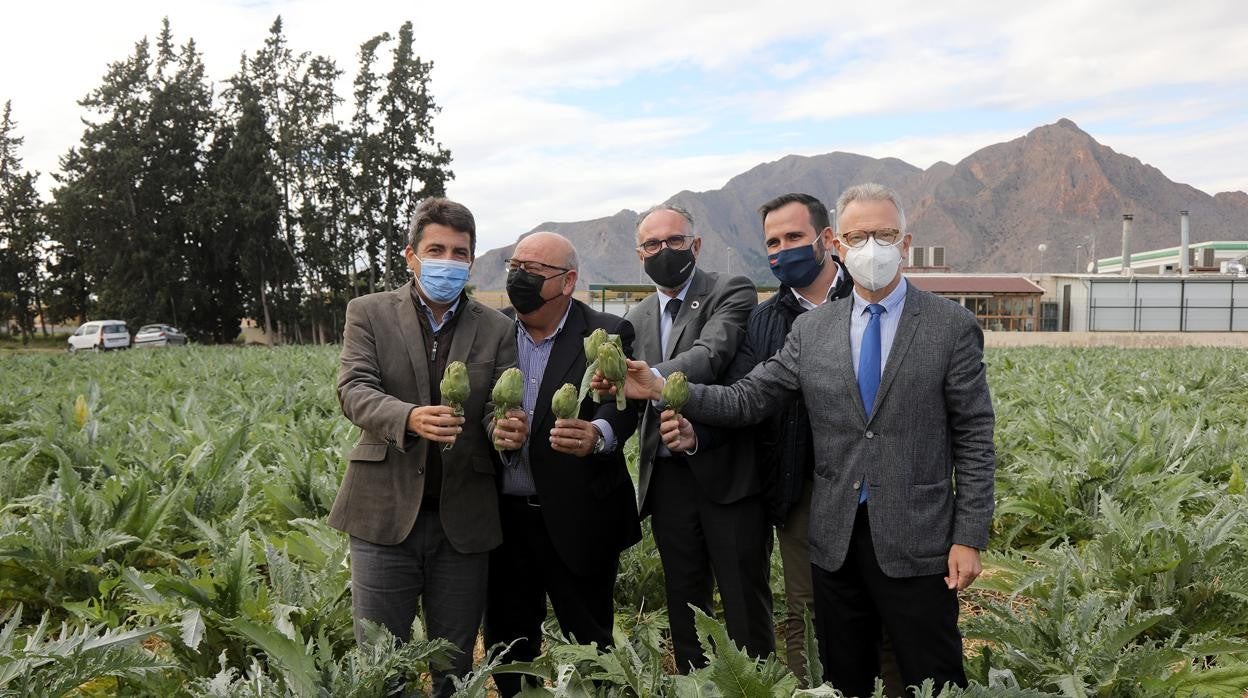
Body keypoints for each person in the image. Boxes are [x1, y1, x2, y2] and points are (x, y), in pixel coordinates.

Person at [608, 184, 996, 695]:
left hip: (917, 532)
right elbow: (749, 398)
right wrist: (661, 386)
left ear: (904, 242)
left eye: (884, 234)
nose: (871, 247)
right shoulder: (814, 331)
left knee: (930, 670)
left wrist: (968, 536)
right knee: (842, 670)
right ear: (837, 241)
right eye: (859, 236)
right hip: (833, 531)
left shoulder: (951, 325)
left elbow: (974, 437)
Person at [329, 198, 517, 697]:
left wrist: (507, 428)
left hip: (464, 519)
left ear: (472, 261)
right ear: (411, 255)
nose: (448, 261)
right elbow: (354, 389)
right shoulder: (368, 313)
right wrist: (407, 416)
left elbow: (500, 403)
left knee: (452, 667)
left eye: (459, 252)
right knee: (381, 663)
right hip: (382, 511)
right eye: (437, 249)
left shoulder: (498, 327)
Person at [485, 232, 641, 696]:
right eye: (515, 266)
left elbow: (623, 402)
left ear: (568, 281)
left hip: (580, 516)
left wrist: (598, 435)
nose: (519, 277)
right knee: (509, 644)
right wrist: (492, 428)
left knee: (591, 643)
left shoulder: (608, 333)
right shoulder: (491, 331)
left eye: (534, 270)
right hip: (503, 520)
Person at [617, 203, 771, 672]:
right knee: (684, 599)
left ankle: (754, 684)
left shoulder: (731, 290)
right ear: (639, 253)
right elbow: (621, 393)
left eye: (675, 241)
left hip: (726, 473)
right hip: (667, 477)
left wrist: (652, 380)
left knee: (744, 599)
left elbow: (711, 354)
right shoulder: (637, 316)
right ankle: (693, 682)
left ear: (696, 245)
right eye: (652, 244)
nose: (664, 251)